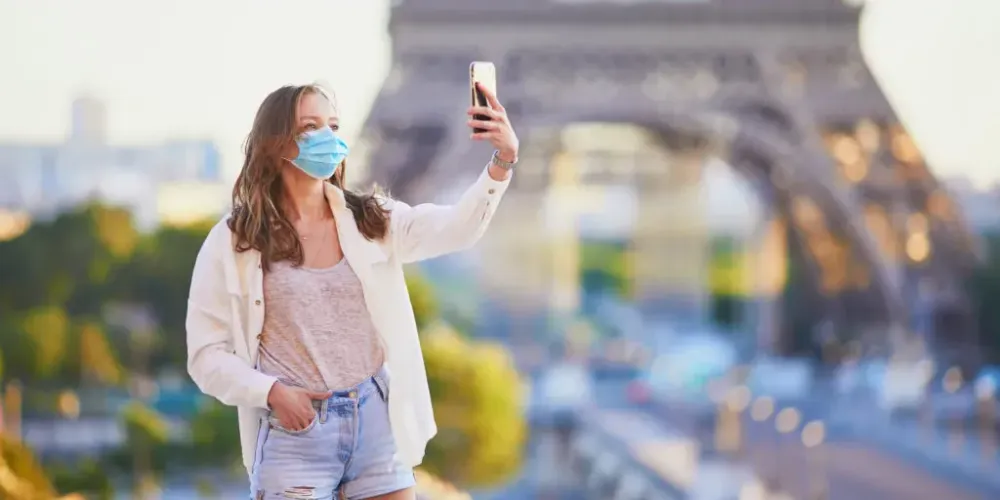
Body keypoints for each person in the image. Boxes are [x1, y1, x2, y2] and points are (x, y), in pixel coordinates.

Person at [186, 82, 518, 500]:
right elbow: (204, 354)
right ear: (275, 142)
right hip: (296, 434)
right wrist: (271, 393)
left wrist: (502, 161)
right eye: (311, 126)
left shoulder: (371, 220)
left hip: (375, 421)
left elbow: (457, 228)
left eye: (334, 125)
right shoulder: (234, 241)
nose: (328, 136)